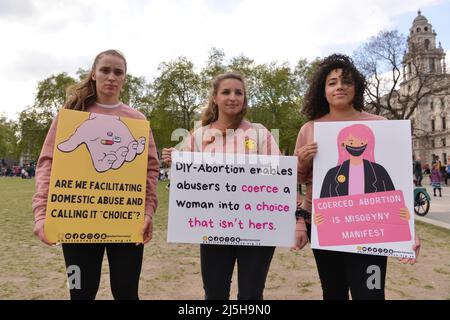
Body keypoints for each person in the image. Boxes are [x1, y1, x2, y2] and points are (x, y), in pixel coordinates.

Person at [32, 49, 159, 300]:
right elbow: (48, 162)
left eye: (118, 72)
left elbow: (150, 168)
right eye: (105, 70)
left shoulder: (137, 120)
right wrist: (41, 213)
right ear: (93, 74)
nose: (111, 77)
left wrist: (146, 211)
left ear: (124, 78)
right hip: (75, 221)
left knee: (126, 292)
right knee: (79, 291)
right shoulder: (70, 116)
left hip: (125, 220)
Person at [294, 54, 421, 300]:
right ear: (323, 90)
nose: (339, 86)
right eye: (332, 82)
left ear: (357, 87)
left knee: (371, 294)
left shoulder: (381, 125)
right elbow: (298, 180)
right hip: (327, 229)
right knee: (333, 293)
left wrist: (409, 230)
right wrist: (302, 160)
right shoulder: (309, 129)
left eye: (346, 81)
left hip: (373, 231)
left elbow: (398, 189)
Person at [161, 72, 281, 300]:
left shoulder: (260, 133)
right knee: (214, 294)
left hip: (255, 227)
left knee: (251, 295)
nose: (232, 97)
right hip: (213, 228)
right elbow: (184, 183)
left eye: (239, 92)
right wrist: (175, 162)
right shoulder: (199, 135)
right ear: (215, 97)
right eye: (226, 92)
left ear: (245, 99)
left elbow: (276, 177)